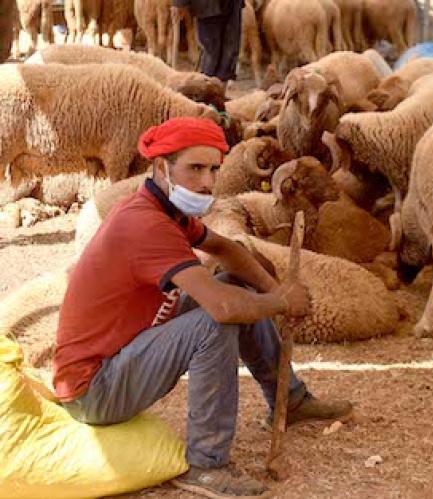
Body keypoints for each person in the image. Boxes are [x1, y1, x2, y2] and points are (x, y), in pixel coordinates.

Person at [52, 117, 353, 498]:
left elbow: (228, 250)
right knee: (215, 319)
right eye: (195, 168)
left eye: (214, 169)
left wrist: (274, 290)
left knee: (232, 282)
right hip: (94, 388)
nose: (208, 182)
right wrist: (280, 301)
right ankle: (207, 465)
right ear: (162, 168)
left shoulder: (165, 212)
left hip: (124, 352)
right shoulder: (145, 224)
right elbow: (223, 309)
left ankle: (290, 399)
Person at [173, 0, 244, 86]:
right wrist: (179, 3)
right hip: (208, 6)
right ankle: (205, 90)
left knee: (230, 51)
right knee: (211, 52)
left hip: (233, 5)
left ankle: (219, 93)